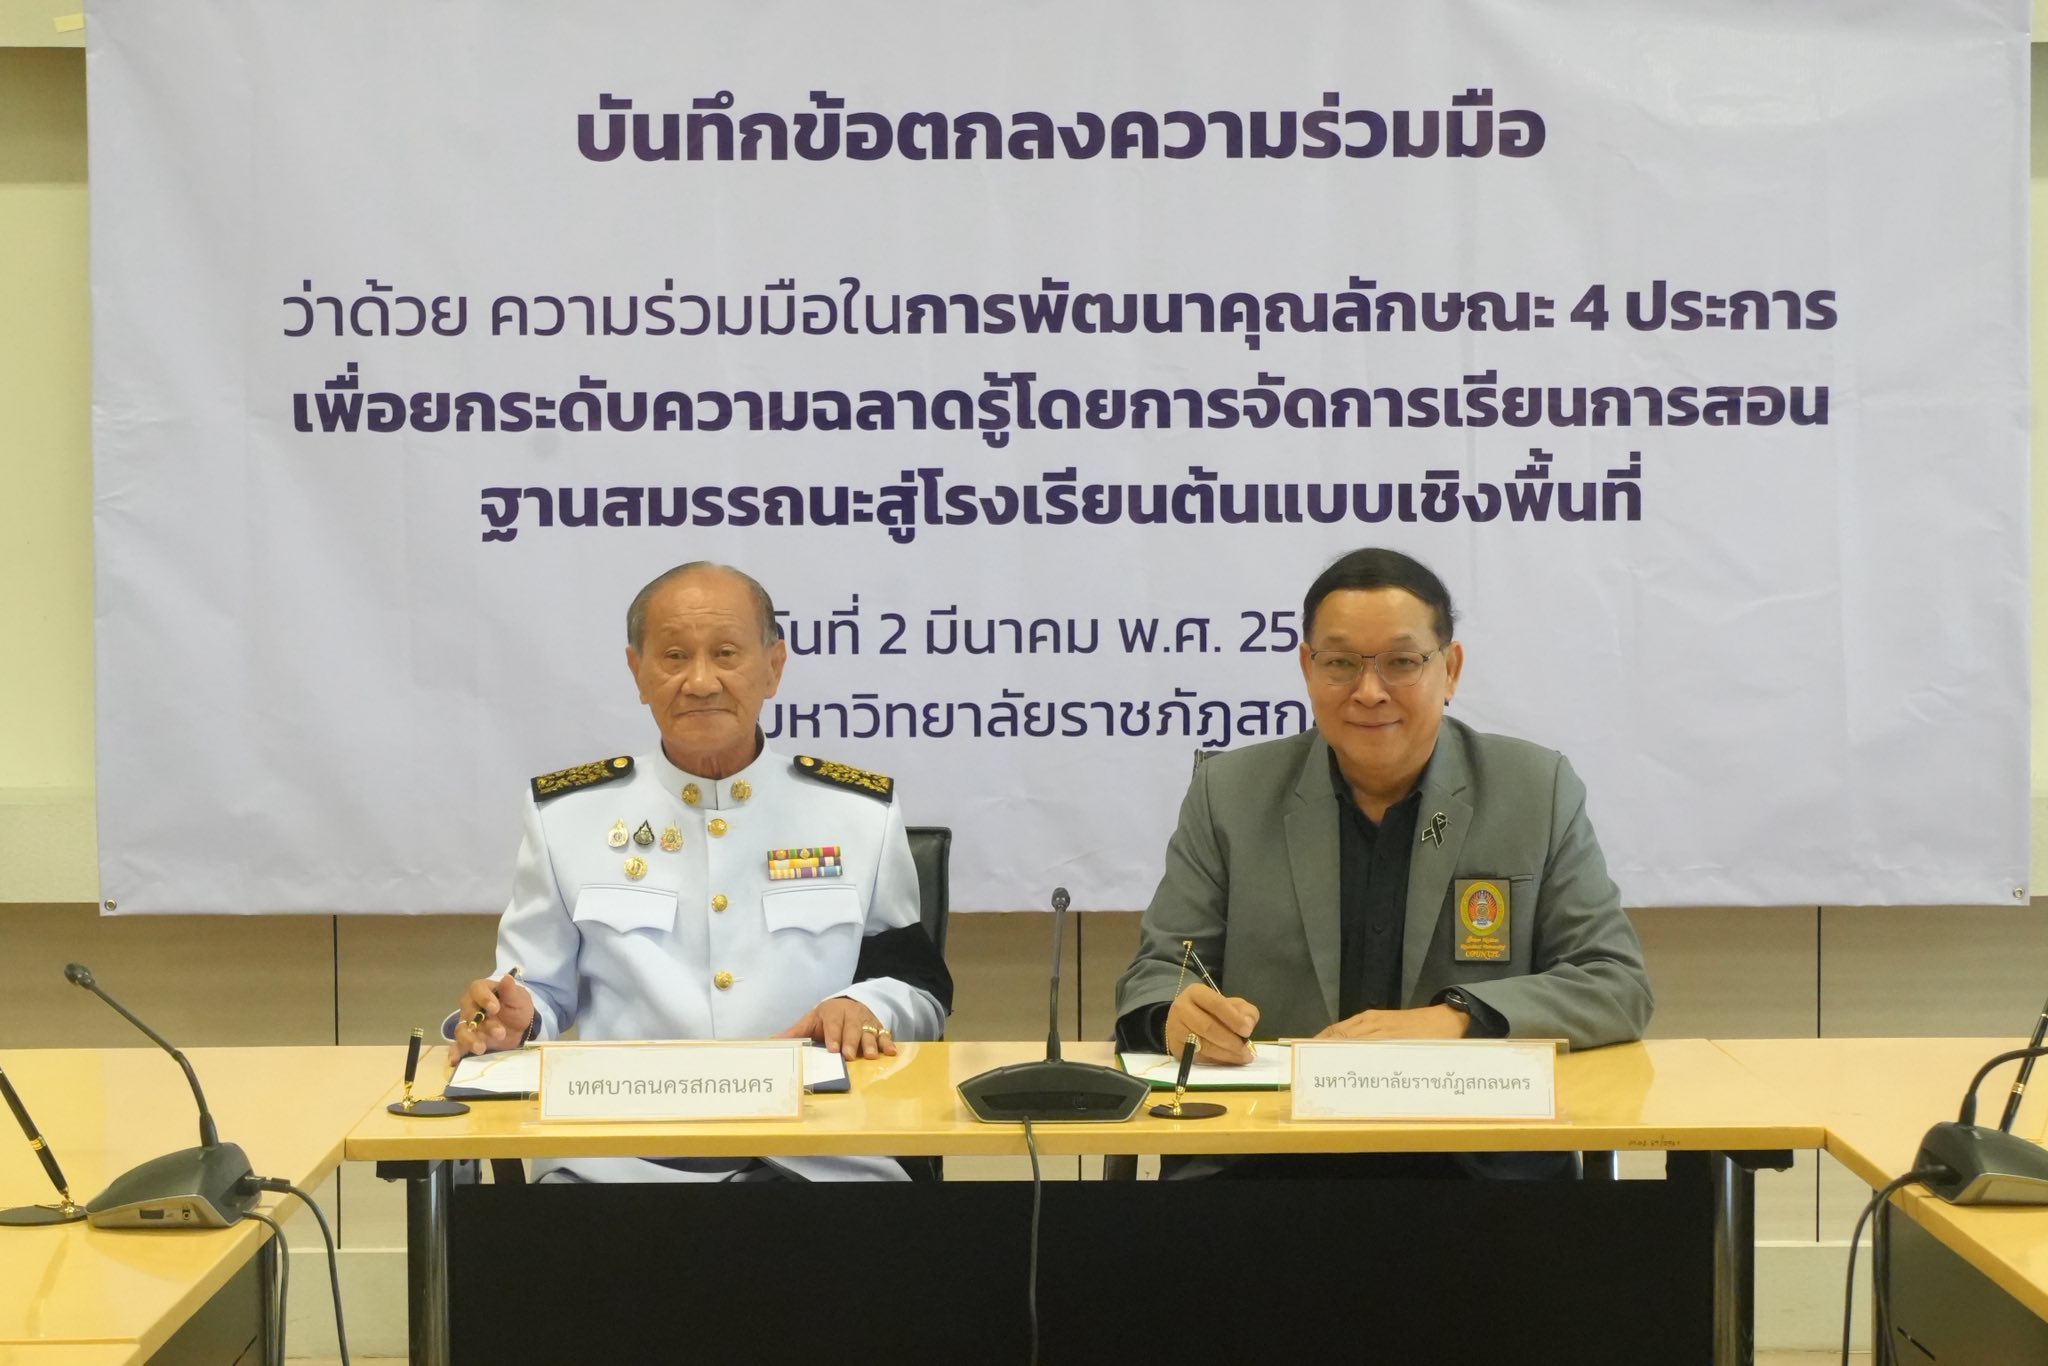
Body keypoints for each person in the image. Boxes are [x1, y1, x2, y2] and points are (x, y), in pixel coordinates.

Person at [1115, 548, 1652, 1174]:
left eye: (1401, 662)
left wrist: (1454, 1020)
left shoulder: (1535, 791)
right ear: (1307, 668)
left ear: (1450, 670)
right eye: (1341, 663)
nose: (1369, 692)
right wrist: (1176, 1014)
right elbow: (1158, 971)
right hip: (1268, 1162)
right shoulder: (1230, 794)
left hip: (1476, 1168)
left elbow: (1613, 982)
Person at [446, 561, 952, 1182]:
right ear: (637, 672)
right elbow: (538, 994)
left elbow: (917, 987)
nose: (701, 681)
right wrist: (512, 1020)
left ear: (774, 667)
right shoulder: (566, 816)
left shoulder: (858, 814)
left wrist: (864, 1003)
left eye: (727, 654)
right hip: (617, 1164)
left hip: (820, 1156)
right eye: (675, 656)